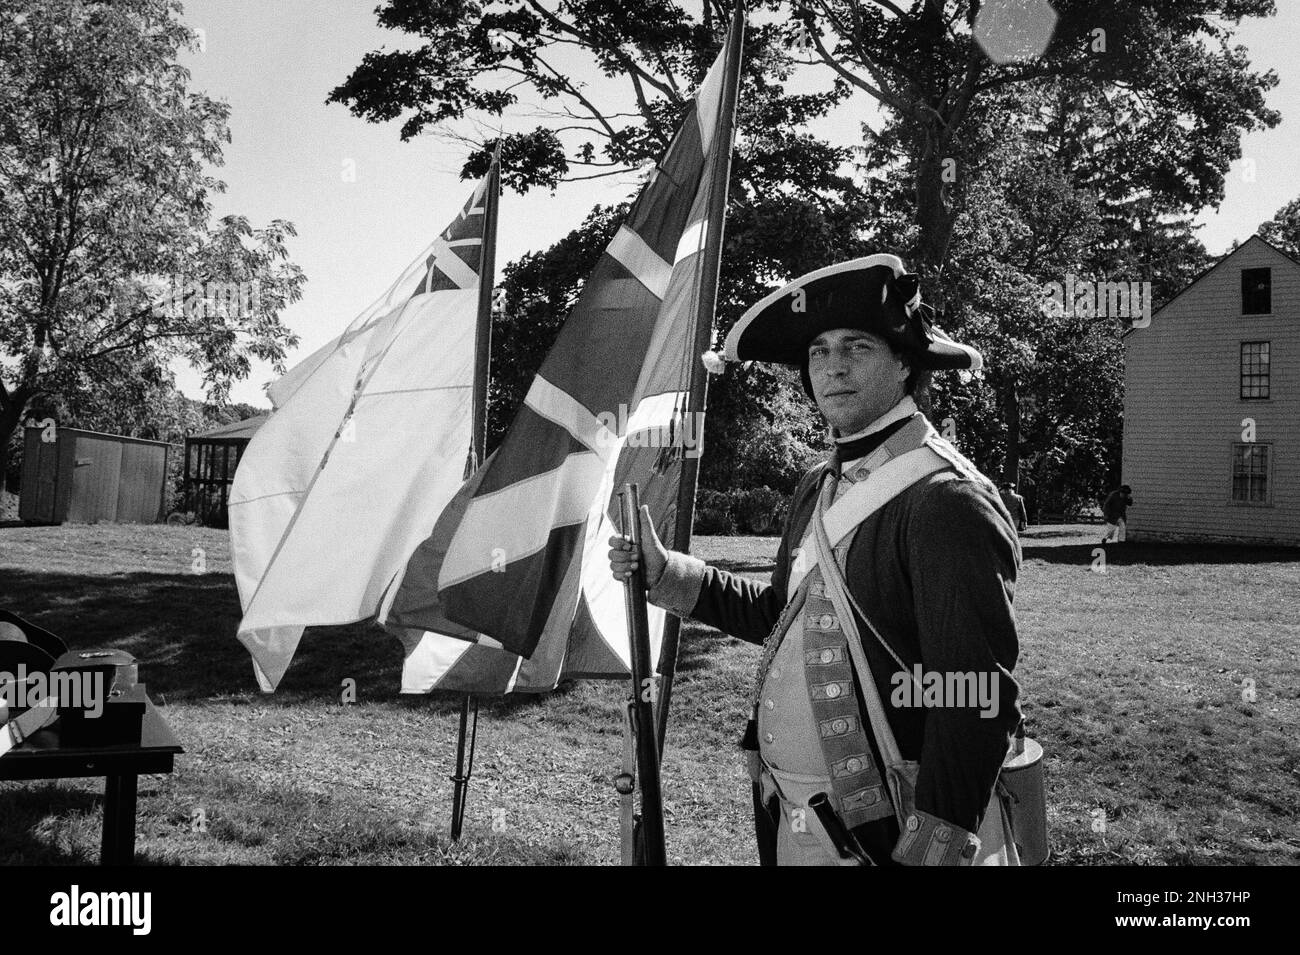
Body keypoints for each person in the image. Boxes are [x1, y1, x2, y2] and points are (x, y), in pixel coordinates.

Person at [609, 255, 1023, 866]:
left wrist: (929, 850)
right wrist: (669, 572)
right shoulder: (817, 484)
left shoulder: (946, 501)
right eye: (819, 351)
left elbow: (975, 694)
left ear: (905, 363)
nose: (833, 366)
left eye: (857, 346)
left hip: (894, 828)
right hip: (801, 815)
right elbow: (782, 613)